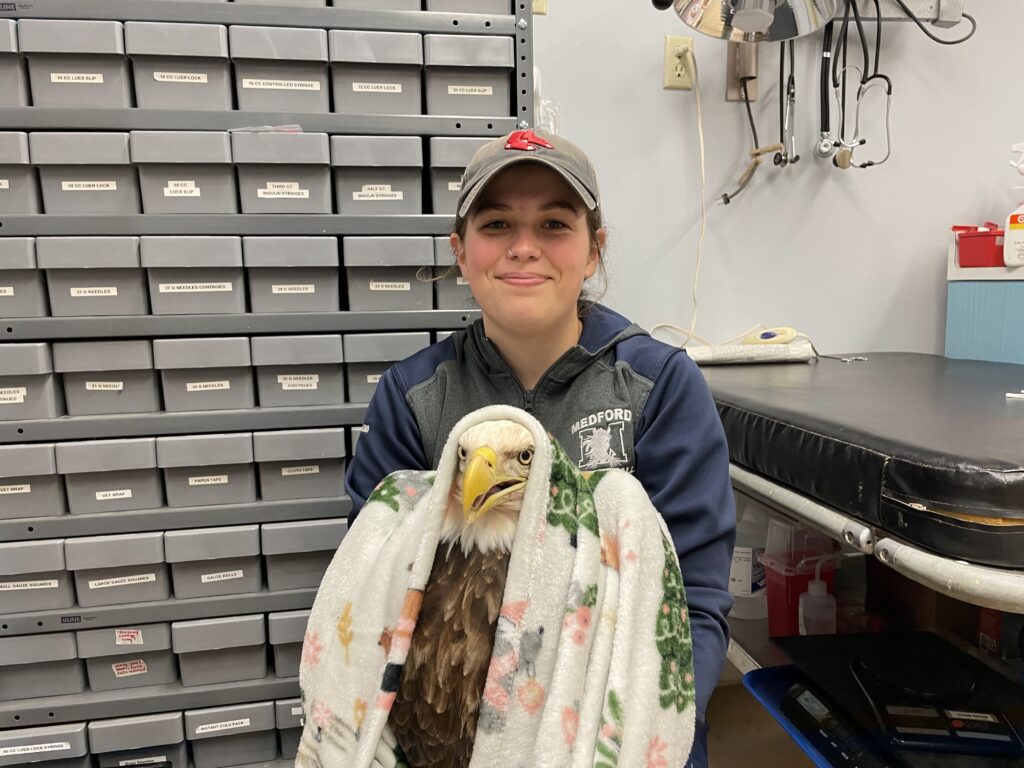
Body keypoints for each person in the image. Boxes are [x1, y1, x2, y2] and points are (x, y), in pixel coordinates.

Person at [345, 128, 736, 768]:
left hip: (615, 719)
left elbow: (692, 608)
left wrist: (637, 741)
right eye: (497, 224)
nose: (524, 248)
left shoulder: (659, 388)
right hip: (447, 727)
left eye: (554, 223)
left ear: (592, 252)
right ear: (461, 252)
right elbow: (371, 593)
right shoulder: (413, 396)